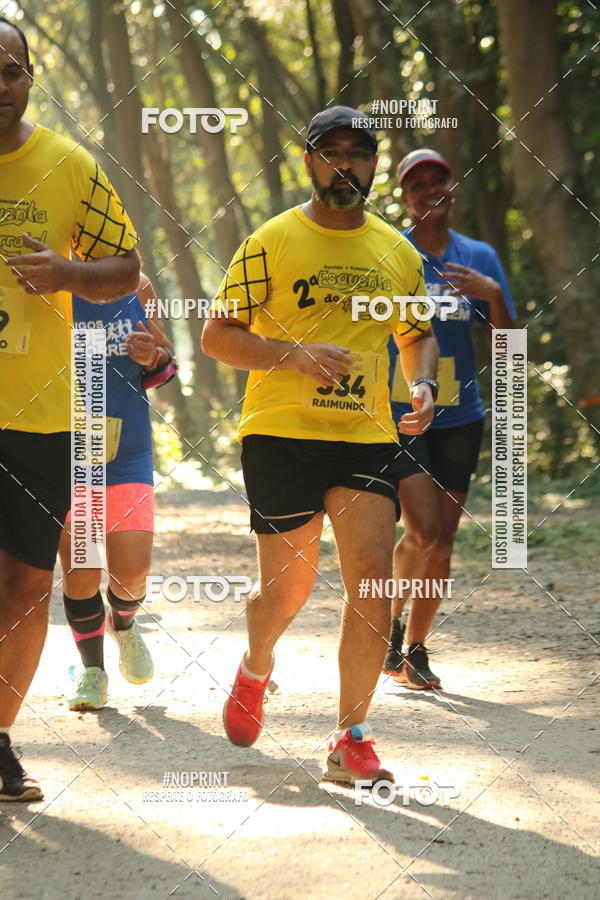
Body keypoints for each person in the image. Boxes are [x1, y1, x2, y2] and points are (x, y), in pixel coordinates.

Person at [202, 106, 439, 786]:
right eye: (330, 152)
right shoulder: (272, 242)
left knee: (372, 575)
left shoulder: (396, 251)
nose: (344, 165)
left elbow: (416, 335)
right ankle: (256, 667)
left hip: (365, 437)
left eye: (357, 153)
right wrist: (292, 354)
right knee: (287, 591)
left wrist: (422, 385)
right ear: (308, 162)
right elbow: (217, 336)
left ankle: (350, 737)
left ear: (373, 164)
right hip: (280, 432)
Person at [0, 18, 139, 800]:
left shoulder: (69, 164)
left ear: (30, 77)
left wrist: (66, 273)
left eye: (10, 70)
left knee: (24, 587)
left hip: (41, 415)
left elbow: (127, 267)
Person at [384, 149, 516, 689]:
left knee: (442, 542)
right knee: (422, 531)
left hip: (461, 414)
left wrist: (493, 295)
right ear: (404, 196)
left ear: (452, 186)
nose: (429, 191)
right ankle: (389, 625)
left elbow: (508, 349)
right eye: (417, 185)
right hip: (404, 410)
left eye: (438, 180)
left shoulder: (477, 256)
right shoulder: (392, 253)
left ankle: (414, 651)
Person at [59, 274, 174, 711]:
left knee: (133, 572)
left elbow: (167, 363)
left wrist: (152, 355)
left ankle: (123, 625)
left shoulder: (138, 286)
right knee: (82, 570)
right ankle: (93, 671)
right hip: (70, 450)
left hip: (127, 449)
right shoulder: (49, 287)